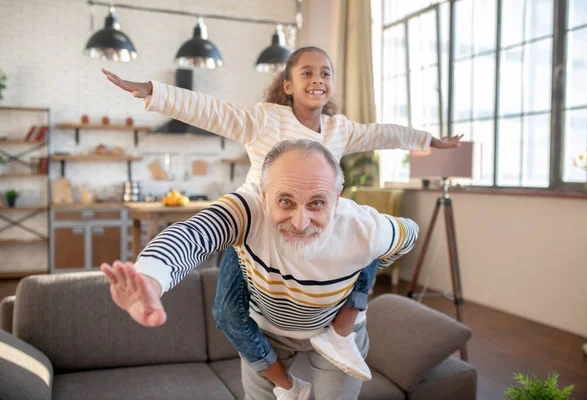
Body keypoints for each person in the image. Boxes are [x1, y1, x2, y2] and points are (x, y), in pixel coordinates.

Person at [101, 45, 461, 390]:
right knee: (226, 309)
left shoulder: (339, 129)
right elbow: (209, 110)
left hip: (322, 225)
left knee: (367, 244)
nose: (317, 78)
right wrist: (152, 91)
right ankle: (285, 384)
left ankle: (341, 330)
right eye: (307, 72)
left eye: (325, 72)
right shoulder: (265, 119)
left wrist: (428, 139)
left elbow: (384, 133)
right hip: (257, 221)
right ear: (288, 85)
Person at [101, 139, 420, 400]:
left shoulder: (364, 227)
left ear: (337, 199)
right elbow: (194, 235)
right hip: (268, 331)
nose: (300, 221)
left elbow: (410, 234)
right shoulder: (246, 209)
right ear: (264, 196)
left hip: (335, 331)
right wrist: (151, 277)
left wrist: (355, 297)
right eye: (285, 202)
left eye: (317, 203)